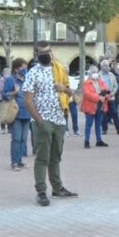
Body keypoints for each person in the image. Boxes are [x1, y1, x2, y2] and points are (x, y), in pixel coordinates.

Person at [23, 41, 77, 206]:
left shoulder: (59, 70)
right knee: (42, 157)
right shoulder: (33, 73)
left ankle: (57, 188)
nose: (45, 54)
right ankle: (41, 191)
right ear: (37, 54)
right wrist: (39, 121)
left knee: (56, 157)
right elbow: (28, 100)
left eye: (48, 51)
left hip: (59, 119)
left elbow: (71, 92)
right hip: (43, 120)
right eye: (42, 52)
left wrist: (64, 89)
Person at [3, 58, 31, 171]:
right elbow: (4, 94)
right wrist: (14, 92)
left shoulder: (27, 79)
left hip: (27, 113)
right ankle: (14, 162)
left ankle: (19, 161)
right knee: (16, 138)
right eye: (22, 67)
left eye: (25, 67)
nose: (24, 69)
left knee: (24, 138)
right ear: (16, 69)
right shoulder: (11, 80)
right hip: (15, 113)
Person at [81, 65, 110, 149]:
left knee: (98, 124)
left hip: (101, 106)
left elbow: (106, 91)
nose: (95, 74)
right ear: (90, 73)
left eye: (96, 72)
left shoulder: (101, 82)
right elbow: (87, 94)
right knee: (88, 125)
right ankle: (86, 141)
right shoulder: (86, 83)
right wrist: (99, 98)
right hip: (90, 107)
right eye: (93, 72)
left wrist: (105, 97)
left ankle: (99, 140)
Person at [100, 59, 119, 135]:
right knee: (104, 114)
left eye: (108, 65)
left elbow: (115, 86)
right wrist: (102, 94)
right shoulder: (98, 75)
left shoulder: (112, 75)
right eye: (106, 65)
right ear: (102, 66)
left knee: (115, 113)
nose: (108, 67)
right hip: (103, 97)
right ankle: (104, 129)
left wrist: (112, 93)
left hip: (111, 97)